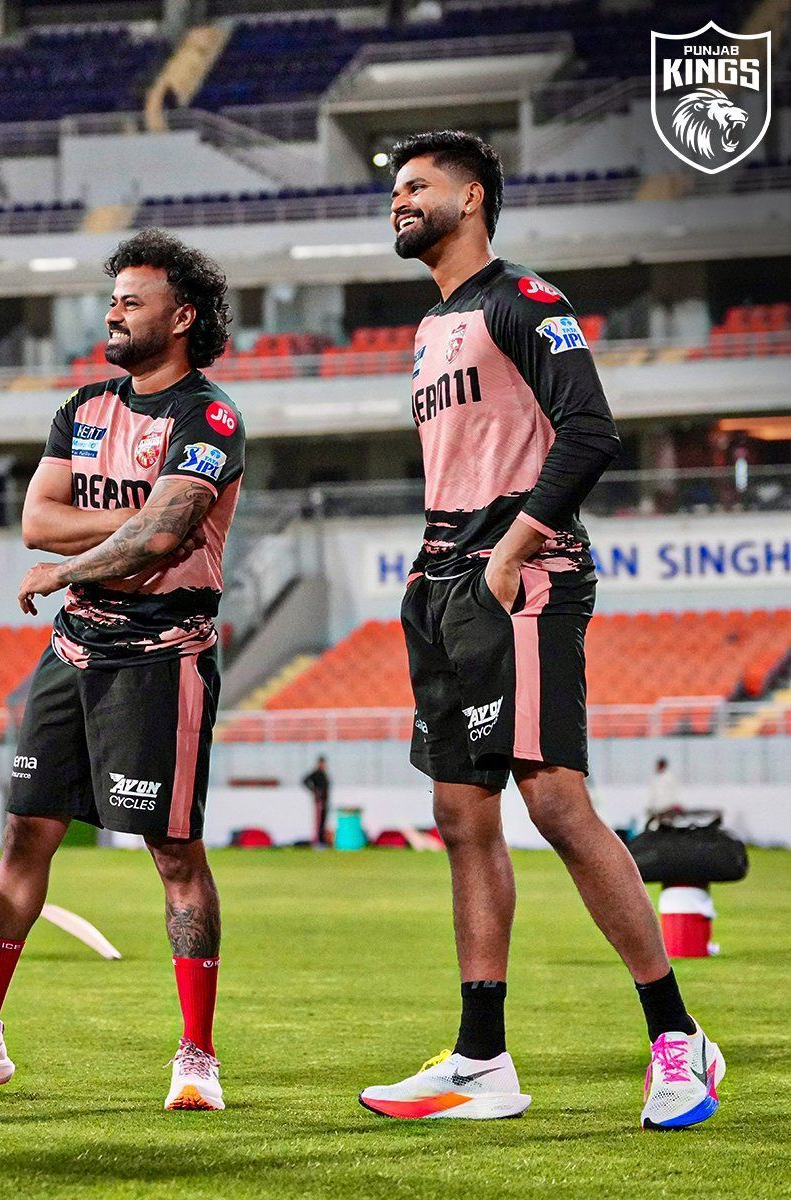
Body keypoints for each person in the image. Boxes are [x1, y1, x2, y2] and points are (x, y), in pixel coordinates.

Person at [357, 131, 723, 1130]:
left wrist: (513, 552)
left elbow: (592, 431)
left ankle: (675, 1035)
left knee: (556, 801)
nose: (399, 199)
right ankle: (482, 1060)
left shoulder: (528, 302)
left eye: (417, 185)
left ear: (472, 197)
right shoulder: (431, 329)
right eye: (394, 187)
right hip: (444, 585)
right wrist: (438, 571)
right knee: (463, 819)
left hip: (519, 580)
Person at [0, 229, 244, 1111]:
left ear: (183, 316)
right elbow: (37, 519)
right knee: (24, 837)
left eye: (134, 299)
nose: (115, 311)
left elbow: (164, 538)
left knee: (172, 852)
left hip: (162, 655)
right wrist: (127, 530)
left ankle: (197, 1055)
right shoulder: (84, 409)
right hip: (74, 650)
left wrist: (73, 565)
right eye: (113, 298)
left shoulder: (209, 416)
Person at [302, 755, 331, 847]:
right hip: (319, 801)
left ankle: (322, 840)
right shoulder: (316, 773)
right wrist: (314, 790)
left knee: (323, 821)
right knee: (319, 822)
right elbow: (304, 781)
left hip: (325, 800)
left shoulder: (324, 773)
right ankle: (318, 841)